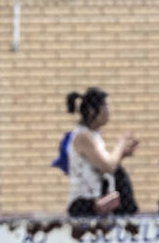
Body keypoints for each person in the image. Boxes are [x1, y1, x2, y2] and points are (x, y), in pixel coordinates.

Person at [59, 87, 140, 216]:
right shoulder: (83, 136)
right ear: (92, 110)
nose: (110, 111)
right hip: (84, 203)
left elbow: (107, 164)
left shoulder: (94, 135)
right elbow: (108, 166)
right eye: (106, 106)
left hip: (98, 200)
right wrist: (120, 144)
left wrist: (122, 154)